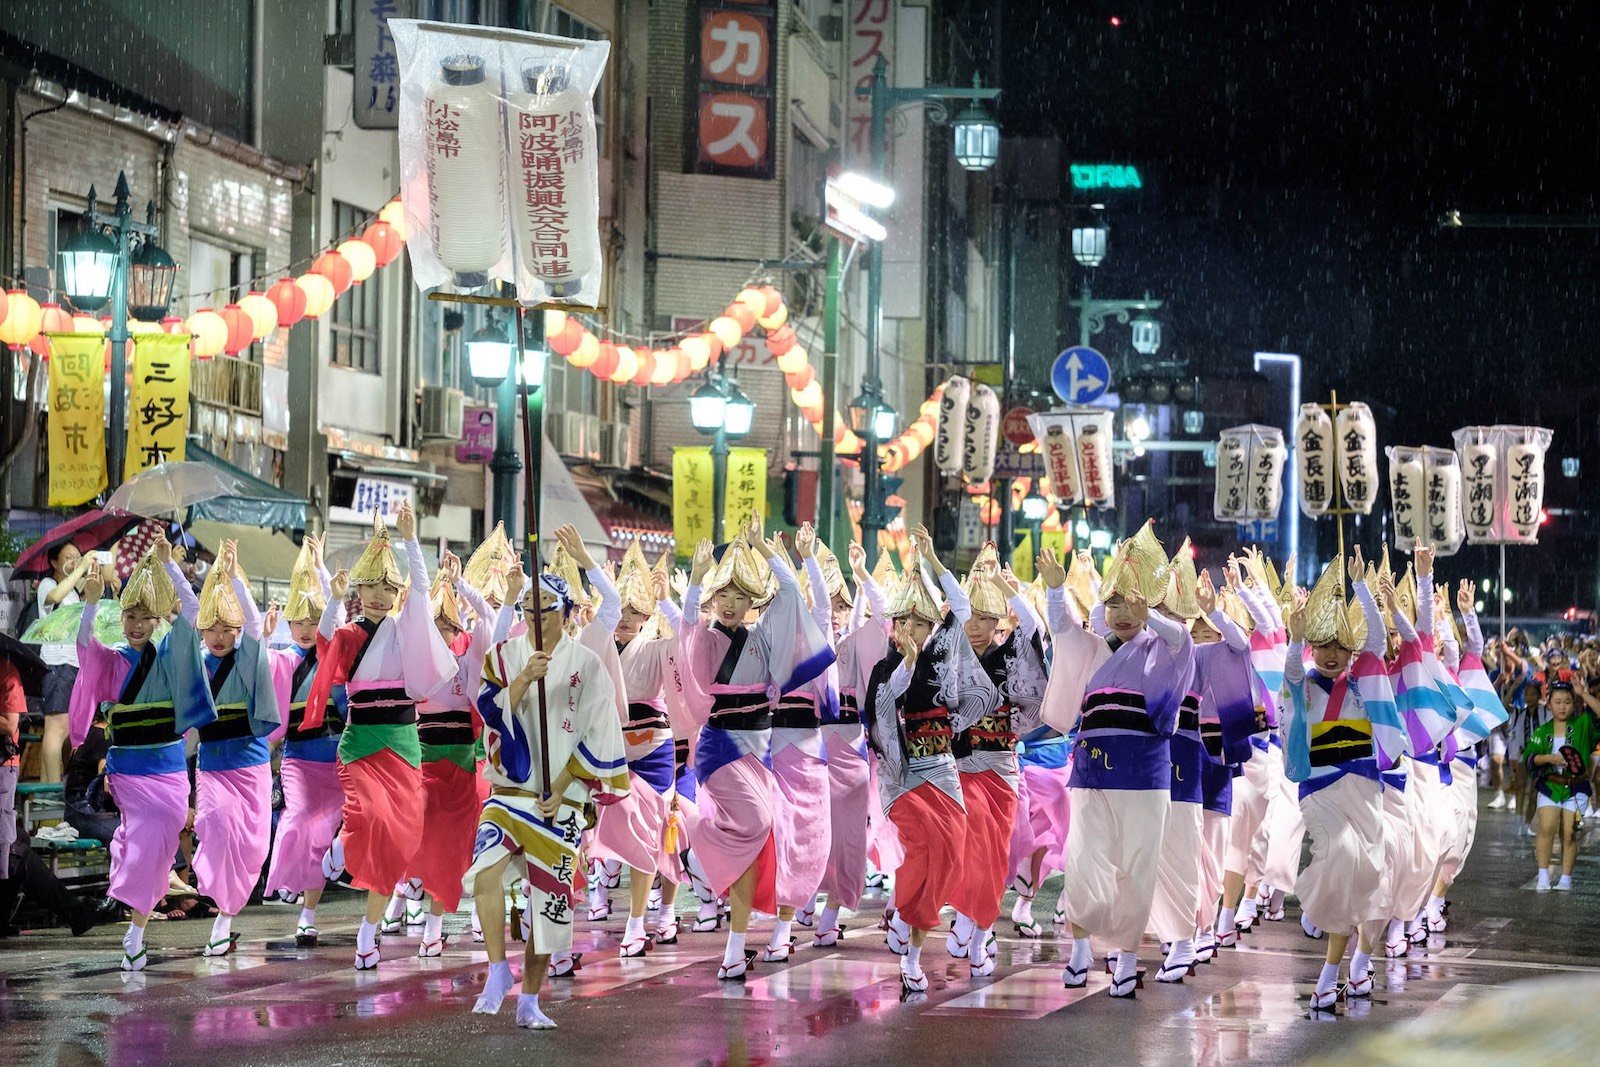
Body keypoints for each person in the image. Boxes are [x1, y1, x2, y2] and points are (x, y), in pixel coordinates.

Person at [466, 572, 629, 1029]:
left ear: (566, 613)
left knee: (549, 905)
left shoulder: (587, 663)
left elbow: (601, 729)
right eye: (529, 609)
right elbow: (488, 708)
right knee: (484, 872)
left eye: (547, 609)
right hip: (509, 791)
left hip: (560, 798)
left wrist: (562, 787)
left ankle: (530, 1000)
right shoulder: (502, 656)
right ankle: (498, 969)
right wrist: (523, 679)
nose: (536, 618)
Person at [676, 514, 833, 982]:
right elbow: (686, 622)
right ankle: (696, 843)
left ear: (751, 603)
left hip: (760, 749)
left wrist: (766, 551)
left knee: (760, 845)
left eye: (740, 596)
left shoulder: (762, 637)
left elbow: (790, 596)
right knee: (758, 822)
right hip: (721, 748)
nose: (730, 603)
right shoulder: (704, 636)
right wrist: (699, 577)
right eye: (723, 595)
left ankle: (734, 948)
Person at [1041, 525, 1193, 999]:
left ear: (1145, 607)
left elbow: (1183, 641)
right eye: (1113, 603)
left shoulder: (1162, 648)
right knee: (1082, 861)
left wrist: (1150, 613)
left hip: (1145, 777)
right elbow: (1061, 627)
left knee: (1135, 869)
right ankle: (1082, 948)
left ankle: (1126, 959)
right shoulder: (1090, 648)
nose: (1121, 613)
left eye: (1130, 604)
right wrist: (1054, 587)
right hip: (1090, 773)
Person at [305, 504, 455, 970]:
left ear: (396, 593)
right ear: (359, 591)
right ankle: (344, 844)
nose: (378, 595)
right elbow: (324, 638)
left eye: (387, 588)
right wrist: (331, 598)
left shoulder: (407, 628)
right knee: (369, 815)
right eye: (369, 587)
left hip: (405, 744)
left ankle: (367, 933)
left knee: (399, 838)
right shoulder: (349, 634)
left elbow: (424, 588)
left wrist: (412, 539)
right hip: (362, 746)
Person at [68, 541, 217, 970]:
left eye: (143, 618)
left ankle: (136, 912)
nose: (135, 625)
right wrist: (92, 606)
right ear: (122, 618)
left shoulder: (170, 656)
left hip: (170, 771)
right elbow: (84, 646)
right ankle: (135, 931)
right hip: (130, 773)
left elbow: (191, 613)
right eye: (128, 616)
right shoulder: (110, 662)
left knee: (164, 838)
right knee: (149, 837)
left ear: (155, 621)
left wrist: (170, 565)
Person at [862, 535, 994, 995]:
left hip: (941, 767)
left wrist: (936, 558)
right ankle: (910, 939)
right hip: (903, 777)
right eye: (904, 621)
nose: (912, 629)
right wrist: (906, 665)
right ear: (892, 625)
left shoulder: (942, 653)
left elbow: (958, 607)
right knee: (923, 847)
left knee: (953, 852)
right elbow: (882, 705)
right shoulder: (885, 668)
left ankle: (910, 928)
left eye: (920, 623)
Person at [1282, 549, 1403, 1011]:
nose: (1331, 655)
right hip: (1321, 790)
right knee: (1344, 857)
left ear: (1351, 650)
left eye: (1340, 646)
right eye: (1323, 645)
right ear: (1313, 647)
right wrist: (1294, 639)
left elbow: (1375, 639)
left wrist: (1360, 590)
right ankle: (1332, 969)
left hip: (1365, 787)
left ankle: (1342, 970)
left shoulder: (1364, 681)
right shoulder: (1303, 684)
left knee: (1370, 876)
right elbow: (1293, 668)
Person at [175, 541, 281, 957]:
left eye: (226, 629)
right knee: (215, 824)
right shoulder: (195, 660)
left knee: (254, 846)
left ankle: (226, 916)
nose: (218, 637)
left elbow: (254, 623)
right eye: (211, 628)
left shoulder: (249, 655)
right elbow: (185, 610)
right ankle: (220, 915)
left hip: (252, 767)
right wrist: (169, 565)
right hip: (214, 767)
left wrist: (236, 577)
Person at [946, 544, 1043, 978]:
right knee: (972, 847)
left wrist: (1013, 592)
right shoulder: (944, 654)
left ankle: (978, 927)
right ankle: (973, 923)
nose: (979, 627)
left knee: (996, 856)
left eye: (988, 618)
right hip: (959, 766)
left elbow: (1037, 631)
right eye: (972, 617)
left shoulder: (1008, 655)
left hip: (1002, 766)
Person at [588, 539, 685, 956]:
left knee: (656, 835)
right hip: (609, 754)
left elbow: (690, 640)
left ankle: (645, 919)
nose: (626, 619)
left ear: (646, 616)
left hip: (656, 755)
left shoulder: (659, 647)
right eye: (621, 611)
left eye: (635, 612)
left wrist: (668, 602)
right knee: (607, 831)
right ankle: (605, 897)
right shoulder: (596, 645)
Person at [261, 538, 345, 946]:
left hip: (335, 762)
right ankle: (285, 881)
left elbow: (338, 615)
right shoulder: (280, 659)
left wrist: (324, 573)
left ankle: (308, 914)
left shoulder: (334, 657)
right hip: (297, 760)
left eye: (315, 622)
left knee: (320, 837)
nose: (308, 629)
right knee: (296, 819)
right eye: (300, 622)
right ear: (288, 624)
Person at [34, 543, 103, 781]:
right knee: (57, 727)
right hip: (57, 663)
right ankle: (53, 791)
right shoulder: (48, 585)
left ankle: (47, 792)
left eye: (77, 557)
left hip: (73, 664)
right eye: (69, 557)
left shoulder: (73, 591)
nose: (74, 561)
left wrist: (91, 575)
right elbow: (54, 597)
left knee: (67, 730)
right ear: (54, 562)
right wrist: (81, 567)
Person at [1525, 681, 1598, 891]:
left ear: (1574, 704)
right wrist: (1548, 758)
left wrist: (1584, 694)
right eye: (1557, 702)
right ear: (1549, 704)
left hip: (1576, 787)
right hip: (1550, 785)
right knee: (1546, 828)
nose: (1562, 706)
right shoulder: (1542, 730)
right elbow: (1529, 757)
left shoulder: (1583, 724)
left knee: (1569, 832)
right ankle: (1543, 877)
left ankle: (1565, 879)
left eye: (1567, 702)